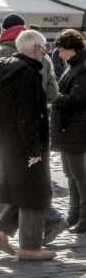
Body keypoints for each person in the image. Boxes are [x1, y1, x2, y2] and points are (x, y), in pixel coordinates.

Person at [0, 13, 66, 244]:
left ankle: (7, 225)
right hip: (37, 122)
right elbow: (53, 93)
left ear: (4, 32)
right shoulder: (43, 57)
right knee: (28, 175)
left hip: (7, 124)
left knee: (11, 175)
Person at [0, 30, 56, 261]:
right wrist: (33, 150)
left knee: (22, 191)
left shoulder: (11, 69)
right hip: (25, 144)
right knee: (35, 194)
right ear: (35, 49)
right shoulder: (28, 72)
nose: (44, 54)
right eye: (44, 49)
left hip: (10, 142)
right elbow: (28, 115)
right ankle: (30, 247)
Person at [51, 28, 86, 233]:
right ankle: (74, 214)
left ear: (73, 49)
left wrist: (52, 96)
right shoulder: (72, 66)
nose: (60, 54)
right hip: (68, 129)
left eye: (62, 50)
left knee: (80, 175)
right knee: (70, 174)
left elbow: (76, 100)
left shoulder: (82, 68)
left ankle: (84, 216)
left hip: (77, 130)